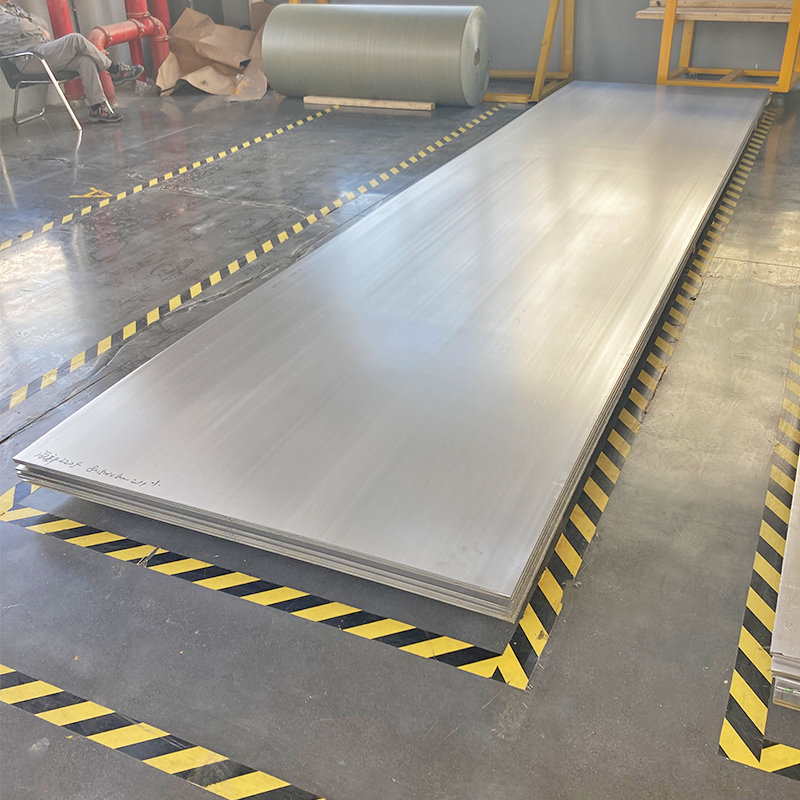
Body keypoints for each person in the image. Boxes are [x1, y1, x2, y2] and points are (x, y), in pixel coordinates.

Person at [0, 1, 144, 123]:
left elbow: (42, 23)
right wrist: (37, 29)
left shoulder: (13, 8)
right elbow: (21, 26)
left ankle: (97, 108)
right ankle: (114, 70)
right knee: (75, 39)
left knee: (85, 60)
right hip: (29, 59)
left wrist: (31, 25)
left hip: (42, 53)